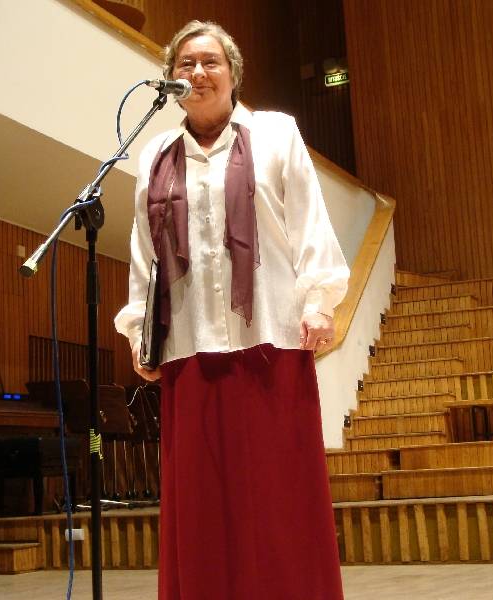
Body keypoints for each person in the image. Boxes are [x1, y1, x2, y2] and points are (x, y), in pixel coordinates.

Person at [114, 20, 349, 600]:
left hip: (271, 343)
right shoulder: (155, 155)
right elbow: (146, 252)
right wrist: (140, 329)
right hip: (189, 350)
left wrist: (319, 301)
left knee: (279, 502)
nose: (197, 72)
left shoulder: (276, 134)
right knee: (203, 508)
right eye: (185, 64)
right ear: (170, 79)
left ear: (233, 74)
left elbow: (308, 221)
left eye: (210, 62)